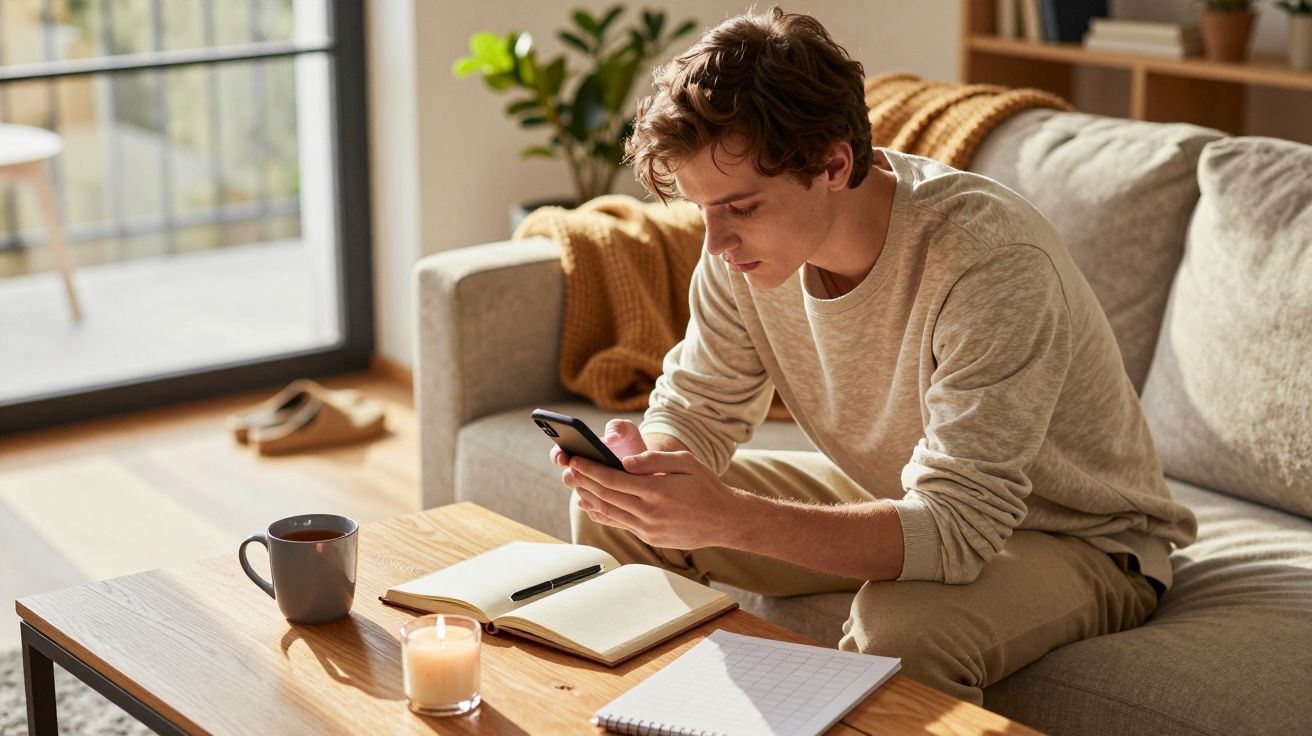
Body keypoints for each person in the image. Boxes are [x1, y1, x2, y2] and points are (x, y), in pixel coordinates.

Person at [550, 7, 1196, 705]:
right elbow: (699, 405)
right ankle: (668, 715)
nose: (716, 243)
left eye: (741, 207)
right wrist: (651, 467)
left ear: (834, 162)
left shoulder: (990, 261)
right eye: (701, 210)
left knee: (901, 629)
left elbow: (955, 527)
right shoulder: (739, 252)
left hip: (1078, 536)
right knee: (619, 511)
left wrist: (724, 515)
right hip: (902, 493)